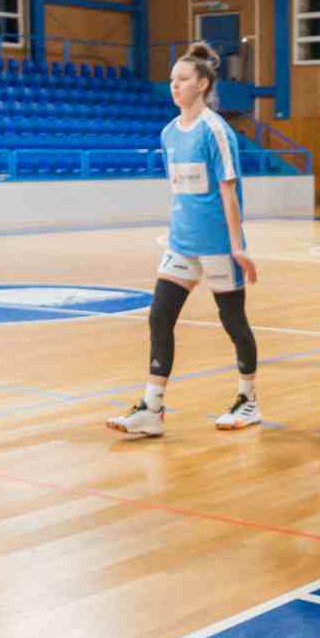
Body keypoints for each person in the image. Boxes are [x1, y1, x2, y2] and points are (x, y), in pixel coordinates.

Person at [106, 42, 260, 438]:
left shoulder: (216, 130)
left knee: (233, 321)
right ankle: (152, 408)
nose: (174, 85)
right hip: (181, 243)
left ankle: (248, 400)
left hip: (218, 244)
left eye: (183, 79)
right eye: (172, 79)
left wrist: (237, 246)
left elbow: (229, 191)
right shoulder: (169, 133)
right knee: (159, 316)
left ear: (203, 84)